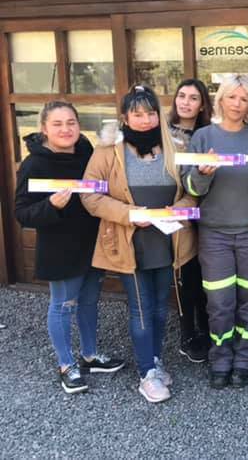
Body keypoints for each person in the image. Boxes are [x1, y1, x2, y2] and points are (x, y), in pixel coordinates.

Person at [81, 85, 197, 403]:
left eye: (150, 113)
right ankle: (146, 374)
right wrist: (129, 214)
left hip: (167, 239)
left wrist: (180, 208)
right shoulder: (108, 151)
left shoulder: (175, 145)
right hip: (129, 240)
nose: (145, 120)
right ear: (125, 117)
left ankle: (155, 360)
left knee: (161, 307)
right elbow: (90, 196)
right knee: (141, 309)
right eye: (137, 114)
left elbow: (192, 190)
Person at [15, 101, 124, 394]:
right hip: (60, 249)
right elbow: (22, 213)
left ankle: (89, 356)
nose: (66, 129)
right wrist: (50, 205)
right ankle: (66, 364)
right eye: (58, 124)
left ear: (79, 125)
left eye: (71, 123)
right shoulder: (34, 164)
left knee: (89, 302)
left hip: (93, 243)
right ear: (44, 129)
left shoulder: (87, 154)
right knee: (63, 306)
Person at [183, 74, 248, 389]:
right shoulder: (203, 137)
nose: (237, 104)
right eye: (231, 97)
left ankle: (245, 358)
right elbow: (191, 186)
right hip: (215, 233)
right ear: (220, 99)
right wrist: (202, 173)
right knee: (219, 301)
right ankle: (220, 358)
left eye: (244, 99)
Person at [169, 78, 213, 363]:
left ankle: (209, 330)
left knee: (205, 277)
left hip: (206, 211)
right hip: (177, 211)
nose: (186, 102)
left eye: (193, 97)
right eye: (181, 96)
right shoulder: (164, 133)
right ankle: (187, 332)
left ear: (202, 105)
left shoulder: (209, 134)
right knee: (185, 275)